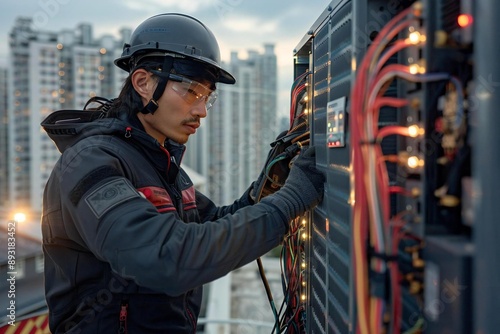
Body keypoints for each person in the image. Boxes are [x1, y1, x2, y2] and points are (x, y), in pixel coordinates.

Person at [41, 13, 324, 333]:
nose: (202, 110)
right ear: (143, 83)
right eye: (191, 91)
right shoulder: (90, 164)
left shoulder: (163, 167)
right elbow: (167, 257)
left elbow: (210, 227)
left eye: (208, 97)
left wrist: (270, 187)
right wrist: (289, 204)